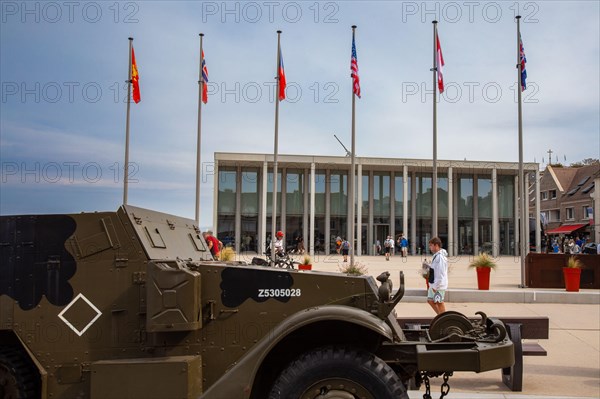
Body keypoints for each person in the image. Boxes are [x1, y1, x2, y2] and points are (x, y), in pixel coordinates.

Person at [426, 236, 448, 315]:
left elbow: (440, 273)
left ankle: (443, 319)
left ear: (436, 245)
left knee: (439, 302)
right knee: (430, 300)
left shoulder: (440, 257)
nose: (430, 247)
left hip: (438, 285)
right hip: (434, 284)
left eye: (431, 245)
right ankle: (440, 317)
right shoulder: (436, 256)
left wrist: (436, 286)